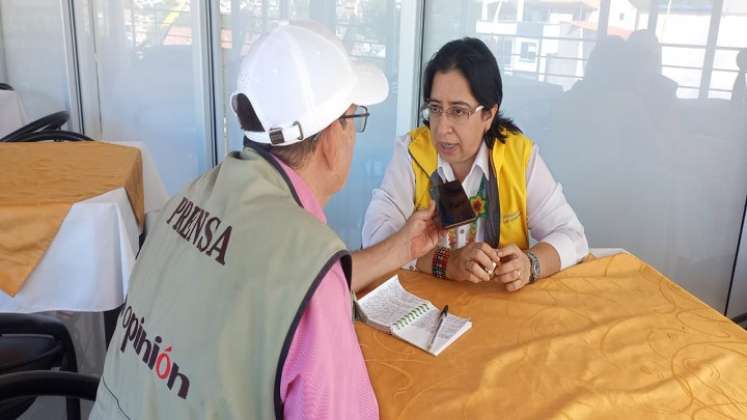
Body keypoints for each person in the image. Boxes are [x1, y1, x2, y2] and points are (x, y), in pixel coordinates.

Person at [89, 21, 439, 420]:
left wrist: (400, 247)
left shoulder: (195, 194)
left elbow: (277, 292)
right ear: (329, 139)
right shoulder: (304, 264)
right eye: (353, 118)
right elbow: (302, 296)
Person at [362, 37, 588, 292]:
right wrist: (445, 262)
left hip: (500, 308)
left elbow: (573, 235)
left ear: (489, 115)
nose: (442, 128)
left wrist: (530, 264)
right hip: (426, 308)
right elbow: (376, 236)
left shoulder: (519, 156)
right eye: (435, 109)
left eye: (458, 111)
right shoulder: (412, 152)